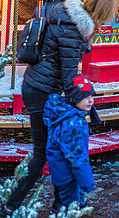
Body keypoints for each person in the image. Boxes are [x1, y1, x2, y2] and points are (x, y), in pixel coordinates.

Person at [0, 0, 118, 215]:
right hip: (43, 91)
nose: (107, 22)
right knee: (44, 152)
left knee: (56, 149)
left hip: (37, 86)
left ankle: (59, 206)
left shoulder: (67, 17)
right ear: (100, 13)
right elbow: (68, 75)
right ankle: (11, 206)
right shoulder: (73, 30)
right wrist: (85, 100)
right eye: (107, 16)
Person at [45, 76, 97, 211]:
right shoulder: (73, 123)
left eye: (91, 95)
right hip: (69, 176)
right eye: (85, 97)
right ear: (74, 98)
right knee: (70, 207)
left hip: (60, 172)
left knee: (62, 201)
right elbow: (77, 157)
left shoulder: (62, 114)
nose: (91, 100)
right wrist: (87, 181)